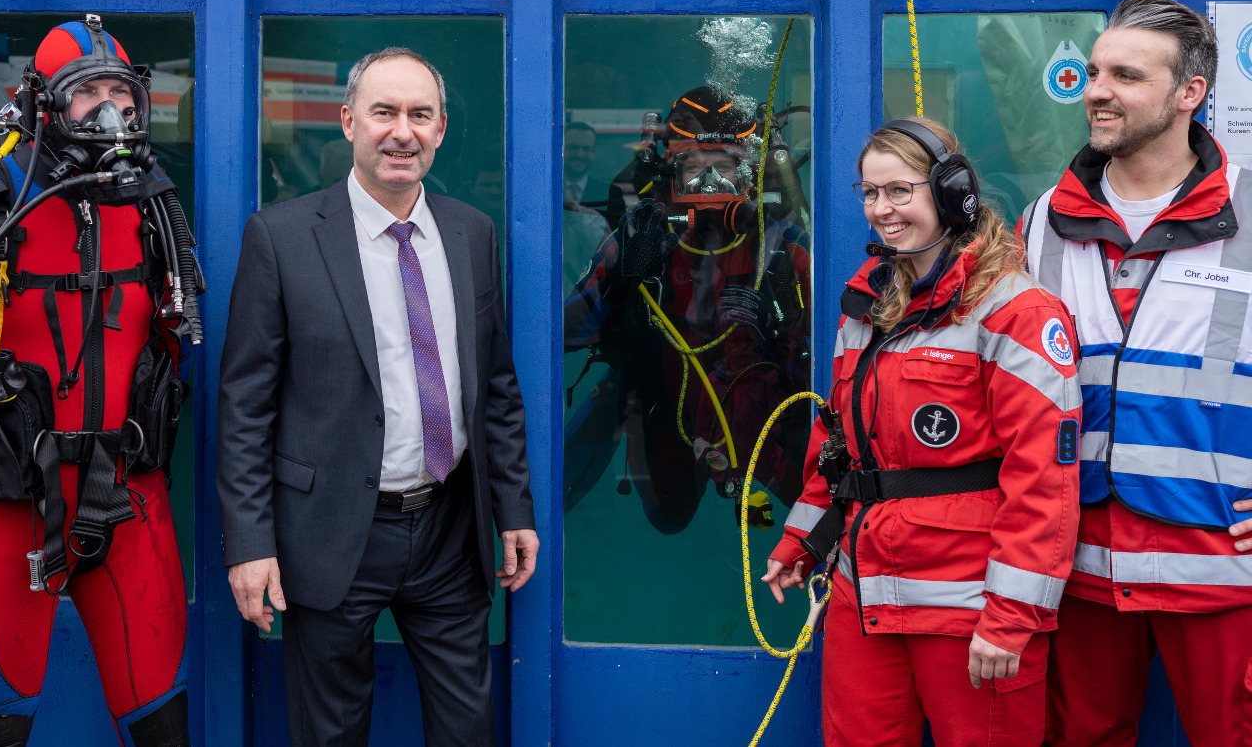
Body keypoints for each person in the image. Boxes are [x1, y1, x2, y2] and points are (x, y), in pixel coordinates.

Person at [0, 16, 200, 747]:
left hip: (128, 498)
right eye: (90, 94)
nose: (110, 110)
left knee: (164, 724)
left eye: (123, 92)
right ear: (43, 103)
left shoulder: (151, 206)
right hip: (2, 508)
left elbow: (179, 350)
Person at [217, 46, 538, 747]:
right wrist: (249, 543)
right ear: (348, 123)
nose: (403, 132)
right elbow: (245, 406)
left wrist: (513, 508)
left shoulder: (470, 233)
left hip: (450, 529)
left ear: (442, 128)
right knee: (330, 734)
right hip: (329, 532)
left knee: (469, 731)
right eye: (384, 112)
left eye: (420, 115)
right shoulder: (282, 237)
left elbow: (496, 386)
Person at [763, 118, 1082, 747]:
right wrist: (801, 539)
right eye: (870, 193)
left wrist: (1011, 617)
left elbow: (1044, 479)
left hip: (970, 603)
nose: (882, 210)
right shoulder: (867, 307)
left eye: (900, 191)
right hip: (864, 593)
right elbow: (839, 450)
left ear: (951, 191)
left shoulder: (1016, 311)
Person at [1017, 0, 1252, 746]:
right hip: (1079, 566)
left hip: (1218, 567)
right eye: (1093, 71)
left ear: (1190, 94)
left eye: (1125, 74)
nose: (1096, 92)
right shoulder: (1041, 220)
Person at [562, 86, 812, 532]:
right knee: (669, 514)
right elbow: (564, 333)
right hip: (666, 399)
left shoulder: (783, 244)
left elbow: (843, 345)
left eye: (723, 168)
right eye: (694, 169)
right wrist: (622, 280)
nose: (709, 184)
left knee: (817, 509)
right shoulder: (641, 236)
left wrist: (779, 324)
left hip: (767, 408)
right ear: (669, 176)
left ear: (750, 174)